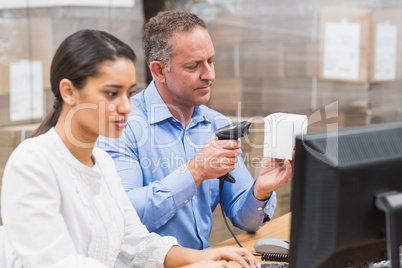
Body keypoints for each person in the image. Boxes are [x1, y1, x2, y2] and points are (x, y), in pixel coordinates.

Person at [0, 29, 260, 268]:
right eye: (112, 94)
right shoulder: (32, 163)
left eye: (129, 93)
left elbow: (136, 243)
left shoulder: (101, 162)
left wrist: (203, 256)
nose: (126, 106)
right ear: (69, 92)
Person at [97, 11, 294, 250]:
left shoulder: (216, 125)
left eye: (210, 61)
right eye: (194, 66)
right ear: (159, 71)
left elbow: (247, 221)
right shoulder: (122, 125)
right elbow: (125, 218)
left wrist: (261, 190)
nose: (209, 75)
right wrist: (196, 171)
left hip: (203, 262)